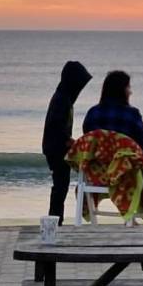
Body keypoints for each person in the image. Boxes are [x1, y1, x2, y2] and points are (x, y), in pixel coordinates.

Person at [42, 60, 92, 222]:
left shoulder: (65, 98)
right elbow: (56, 123)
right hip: (55, 148)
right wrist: (68, 140)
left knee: (61, 185)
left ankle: (56, 219)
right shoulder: (61, 99)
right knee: (60, 185)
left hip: (57, 147)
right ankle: (56, 220)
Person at [82, 70, 143, 153]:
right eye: (128, 87)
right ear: (122, 90)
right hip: (124, 163)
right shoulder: (132, 114)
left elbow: (87, 140)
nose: (130, 92)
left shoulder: (93, 113)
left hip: (97, 163)